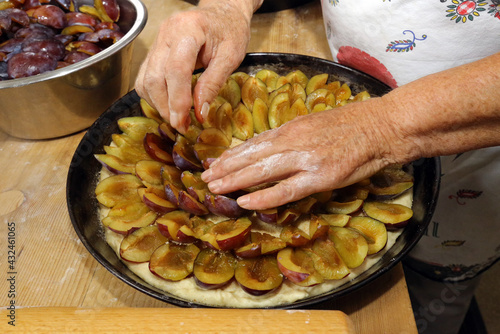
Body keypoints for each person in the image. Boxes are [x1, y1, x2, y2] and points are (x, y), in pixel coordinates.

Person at [135, 0, 500, 333]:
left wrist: (382, 126)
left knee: (437, 283)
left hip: (473, 142)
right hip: (346, 82)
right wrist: (228, 6)